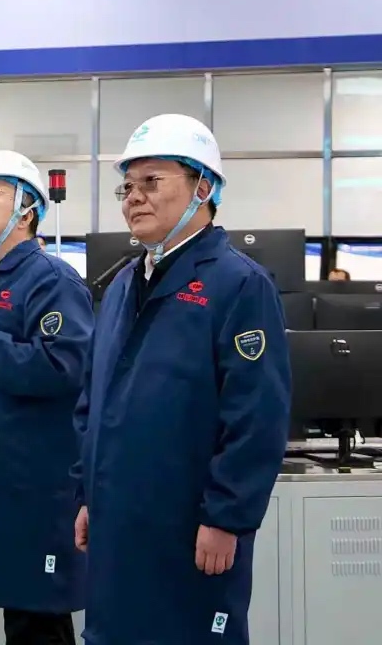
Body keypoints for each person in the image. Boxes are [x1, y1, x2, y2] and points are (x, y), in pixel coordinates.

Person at [73, 114, 291, 645]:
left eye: (152, 182)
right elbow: (92, 401)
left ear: (203, 188)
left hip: (190, 528)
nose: (134, 197)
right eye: (127, 186)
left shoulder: (239, 285)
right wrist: (87, 494)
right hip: (117, 521)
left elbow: (257, 415)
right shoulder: (122, 285)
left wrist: (227, 517)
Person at [0, 151, 91, 645]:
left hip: (38, 490)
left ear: (28, 209)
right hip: (6, 486)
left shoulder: (50, 278)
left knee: (40, 622)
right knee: (25, 620)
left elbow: (69, 363)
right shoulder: (0, 278)